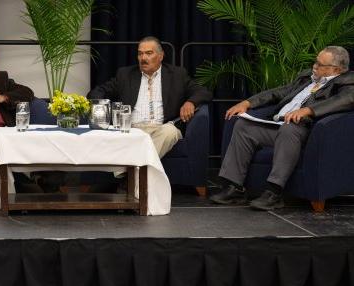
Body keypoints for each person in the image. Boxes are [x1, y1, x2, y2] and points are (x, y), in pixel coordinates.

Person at [210, 46, 354, 210]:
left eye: (320, 64)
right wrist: (247, 102)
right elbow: (279, 92)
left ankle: (274, 192)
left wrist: (308, 110)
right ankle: (234, 188)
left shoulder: (347, 82)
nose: (315, 66)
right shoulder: (308, 78)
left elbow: (346, 100)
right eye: (315, 61)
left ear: (335, 69)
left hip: (308, 131)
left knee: (289, 129)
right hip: (281, 125)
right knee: (244, 126)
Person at [87, 36, 212, 158]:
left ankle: (129, 169)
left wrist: (191, 102)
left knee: (170, 132)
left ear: (161, 56)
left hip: (161, 129)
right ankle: (140, 172)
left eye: (149, 53)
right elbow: (97, 92)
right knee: (119, 135)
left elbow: (204, 92)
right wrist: (101, 108)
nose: (143, 58)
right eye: (140, 54)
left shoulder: (177, 75)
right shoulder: (125, 75)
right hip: (132, 129)